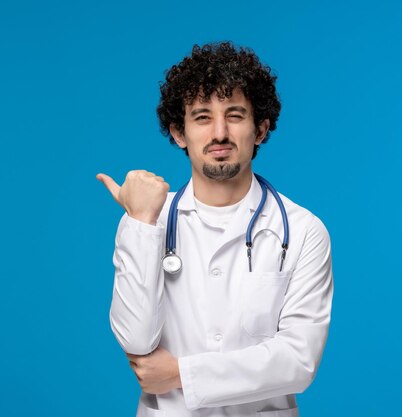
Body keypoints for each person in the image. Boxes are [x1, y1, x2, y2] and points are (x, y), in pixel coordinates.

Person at [96, 41, 334, 417]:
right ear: (179, 133)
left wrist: (181, 374)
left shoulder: (304, 231)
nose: (219, 133)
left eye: (235, 115)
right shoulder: (147, 220)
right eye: (202, 117)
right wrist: (140, 224)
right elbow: (137, 340)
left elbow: (297, 362)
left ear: (260, 129)